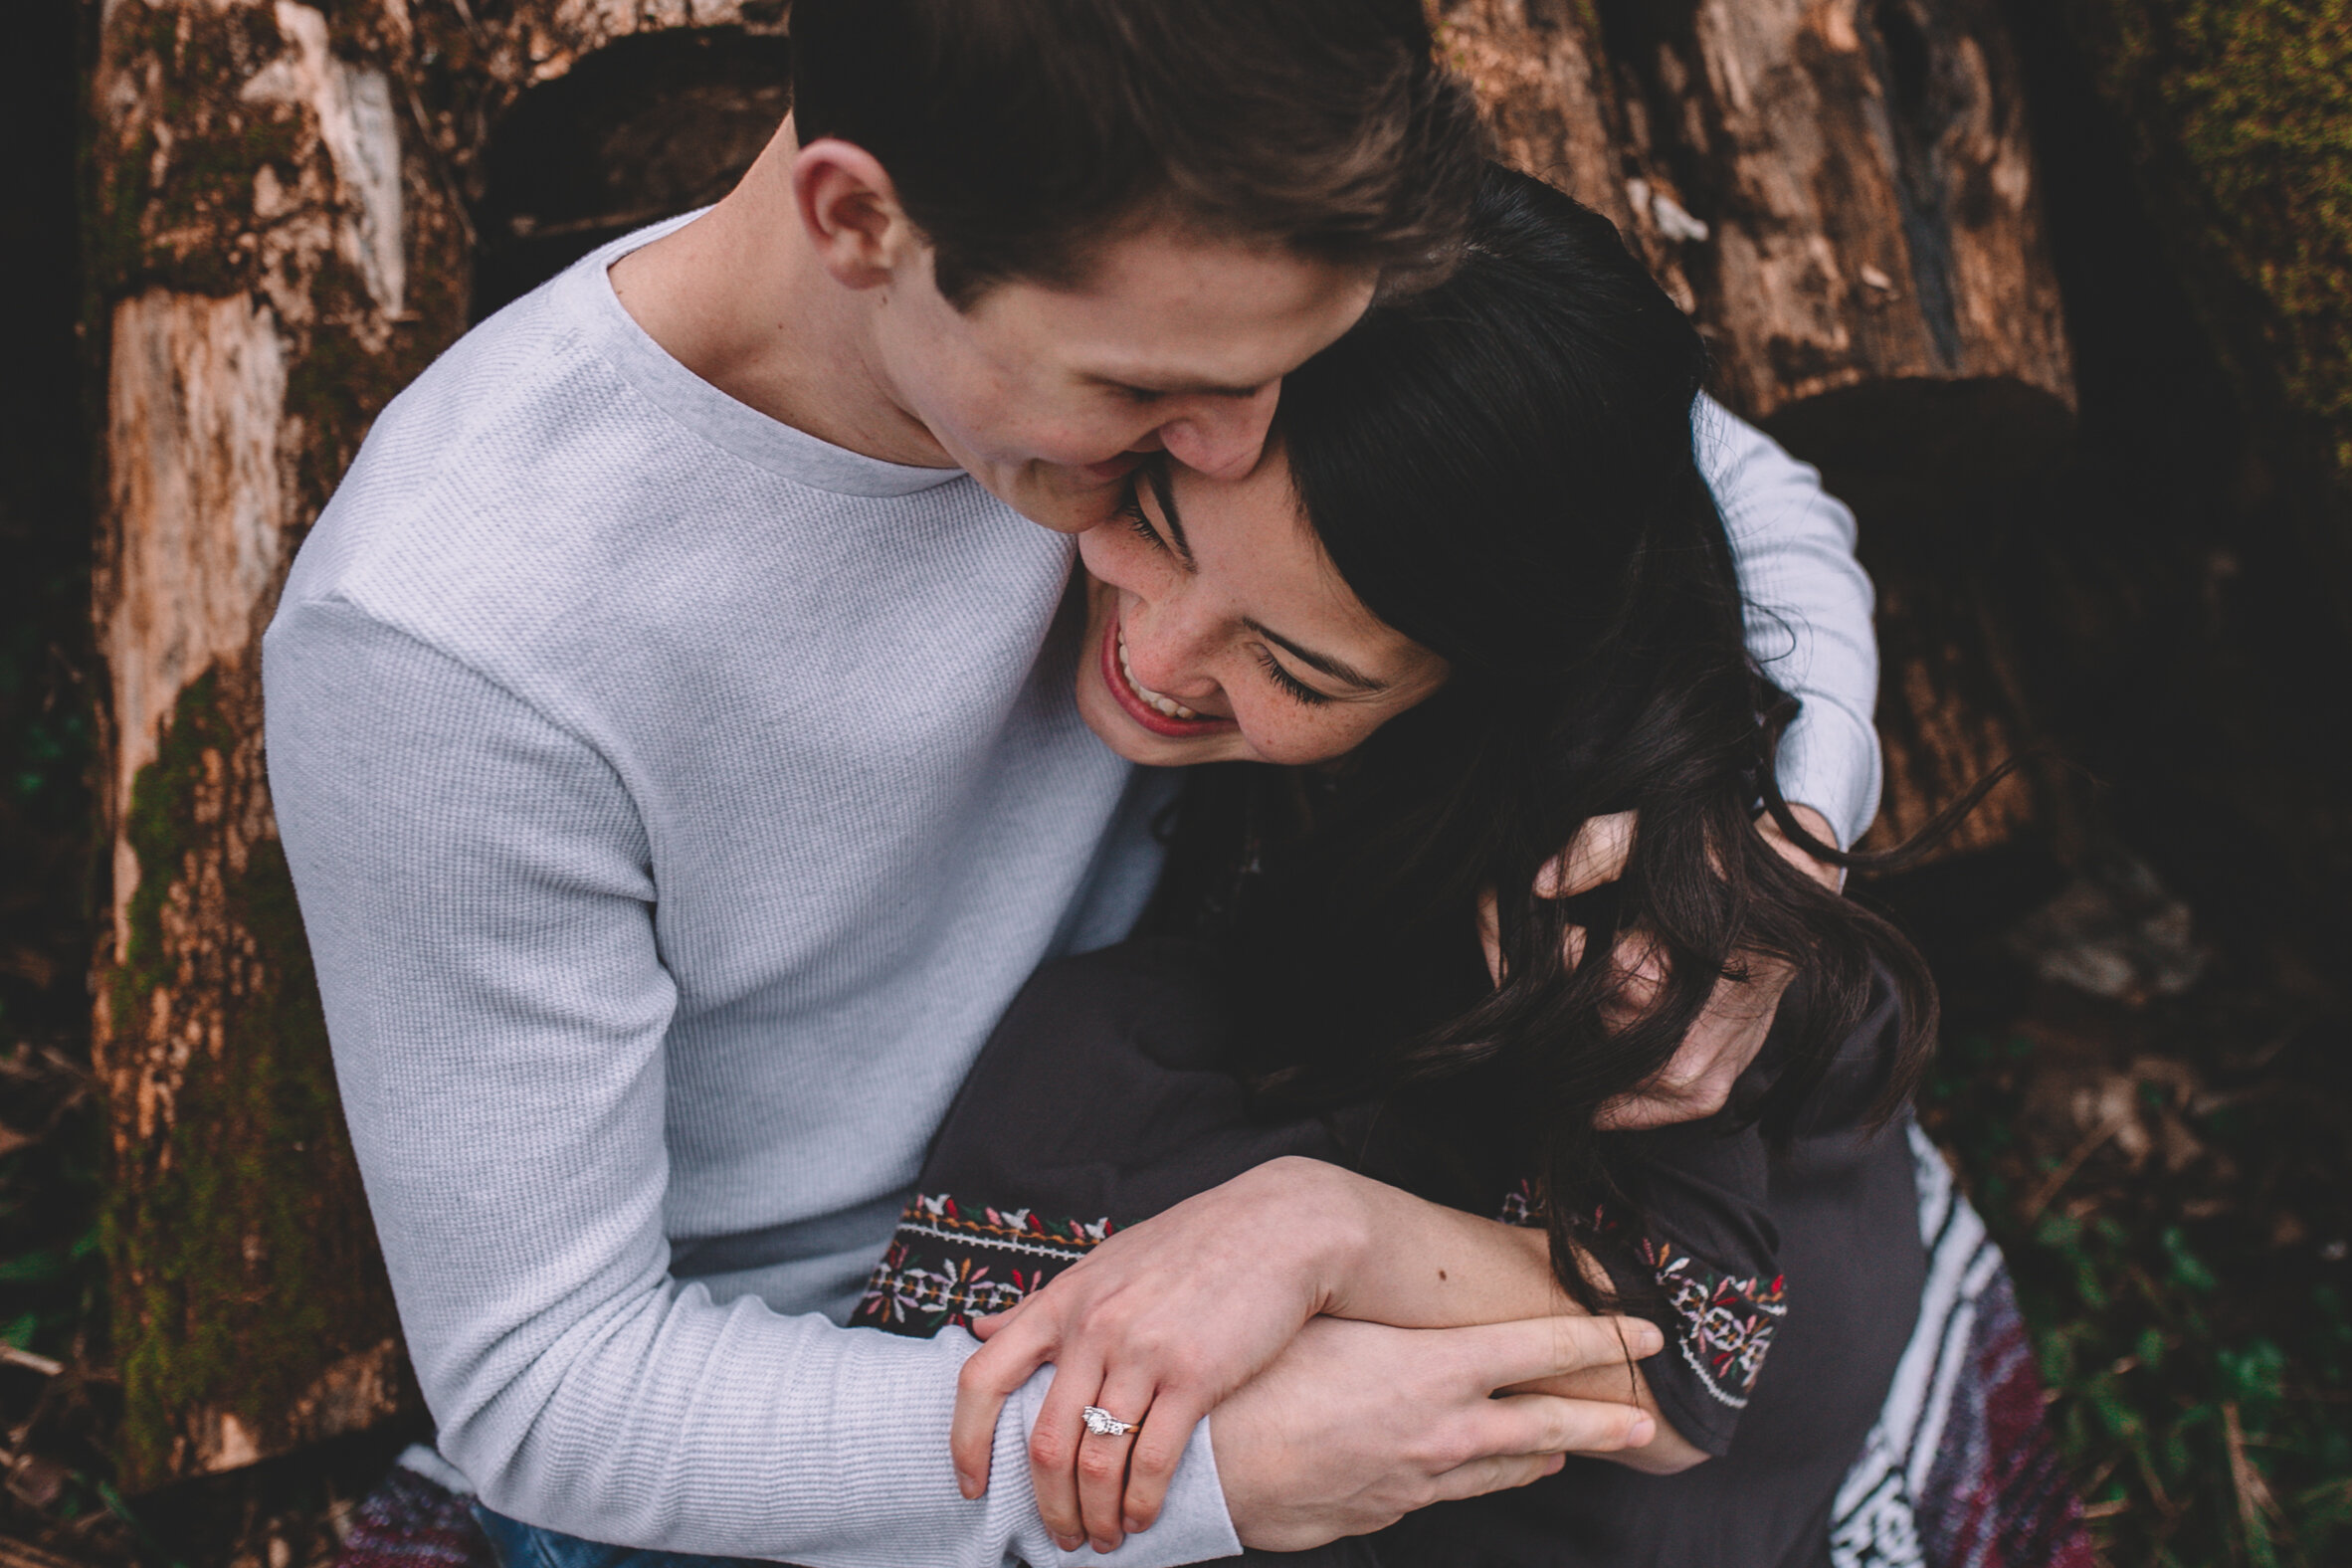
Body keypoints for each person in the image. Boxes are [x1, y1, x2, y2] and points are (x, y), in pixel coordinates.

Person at [262, 5, 1884, 1564]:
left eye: (1286, 367)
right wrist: (1189, 1474)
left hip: (1189, 1102)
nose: (1244, 441)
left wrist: (1765, 824)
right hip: (833, 1393)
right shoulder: (455, 639)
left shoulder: (1194, 267)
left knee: (1747, 1279)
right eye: (1151, 401)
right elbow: (549, 1392)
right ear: (859, 222)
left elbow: (1700, 469)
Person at [887, 165, 1936, 1566]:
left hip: (1623, 1444)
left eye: (1292, 664)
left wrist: (1327, 1231)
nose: (1154, 657)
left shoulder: (1596, 884)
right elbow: (1694, 436)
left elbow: (1694, 1356)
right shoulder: (1287, 357)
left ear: (1469, 681)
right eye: (1158, 526)